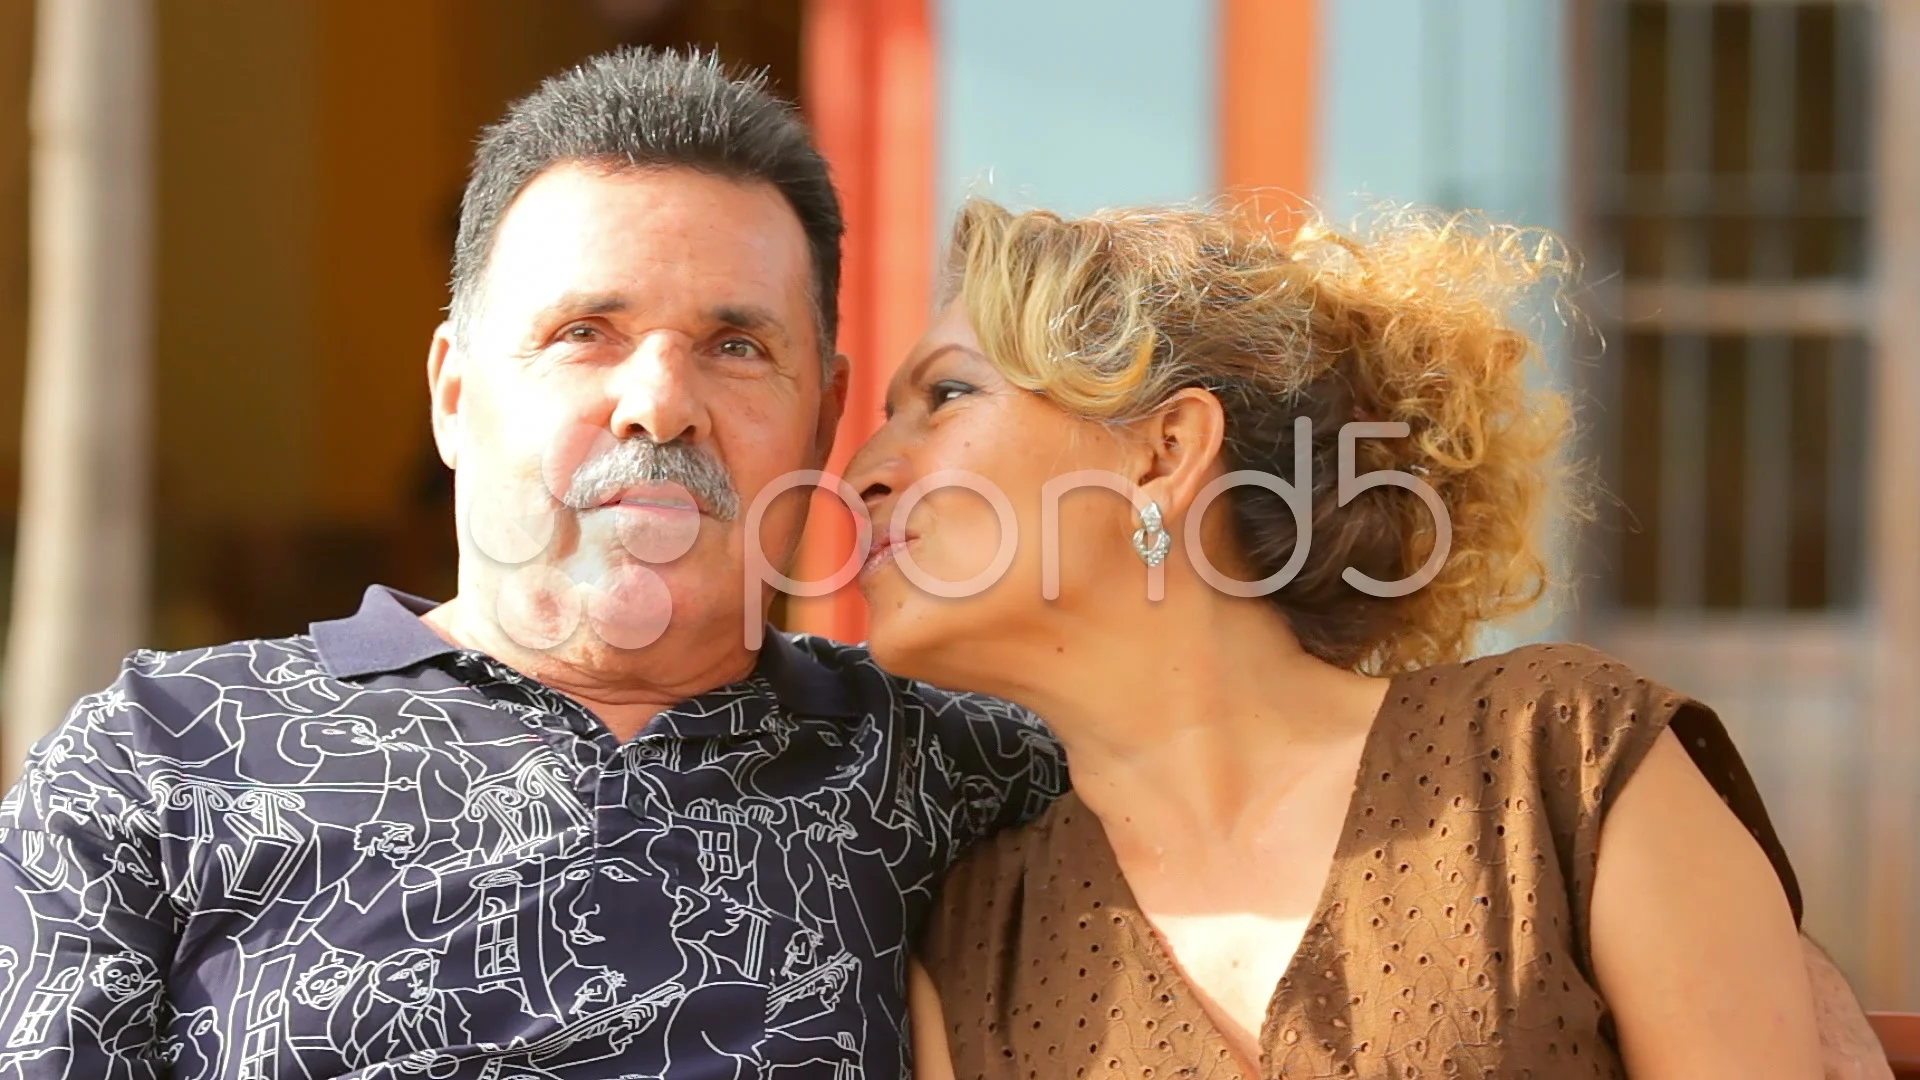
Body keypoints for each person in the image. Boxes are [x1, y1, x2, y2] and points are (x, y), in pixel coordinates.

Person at [0, 50, 1062, 1078]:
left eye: (736, 345)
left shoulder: (961, 778)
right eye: (586, 332)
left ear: (823, 420)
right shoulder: (158, 762)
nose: (661, 402)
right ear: (453, 394)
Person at [847, 198, 1882, 1079]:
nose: (864, 471)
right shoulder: (976, 946)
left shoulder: (1556, 762)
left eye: (947, 395)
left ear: (1164, 452)